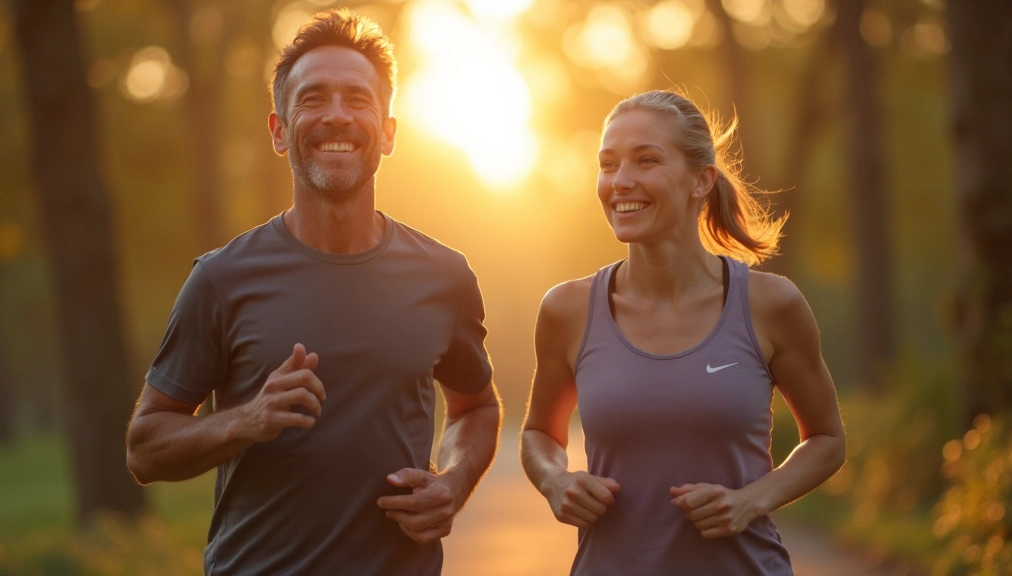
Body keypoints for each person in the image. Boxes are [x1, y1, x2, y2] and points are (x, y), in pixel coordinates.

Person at [125, 9, 501, 575]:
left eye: (358, 99)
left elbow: (477, 407)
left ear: (388, 132)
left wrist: (454, 483)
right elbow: (144, 448)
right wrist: (244, 421)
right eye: (312, 99)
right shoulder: (222, 279)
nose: (337, 117)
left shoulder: (444, 276)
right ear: (278, 130)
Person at [520, 89, 846, 575]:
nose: (620, 181)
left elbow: (825, 439)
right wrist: (554, 481)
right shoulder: (567, 310)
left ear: (701, 180)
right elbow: (539, 433)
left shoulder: (770, 304)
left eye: (646, 160)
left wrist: (751, 501)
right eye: (608, 165)